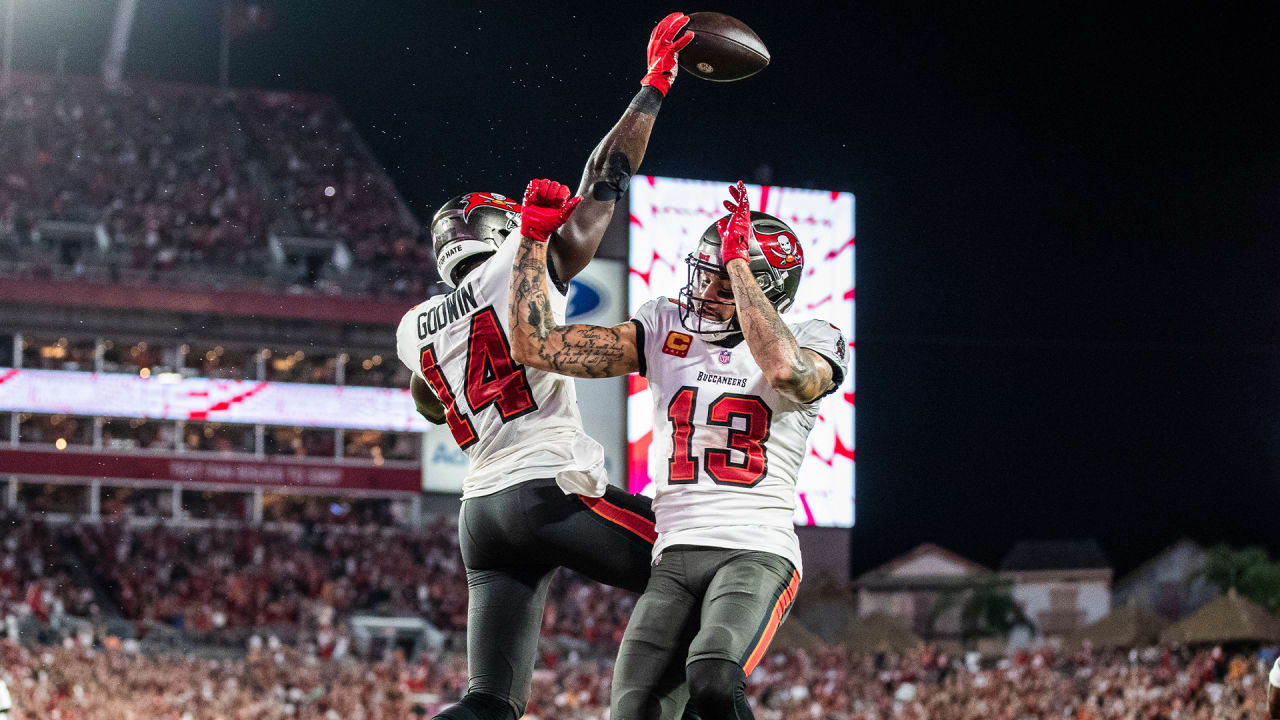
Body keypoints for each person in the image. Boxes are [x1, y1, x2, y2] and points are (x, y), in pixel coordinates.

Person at [393, 14, 696, 720]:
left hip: (480, 514)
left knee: (488, 705)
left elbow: (430, 405)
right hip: (544, 489)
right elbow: (604, 180)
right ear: (501, 229)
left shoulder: (413, 326)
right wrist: (651, 88)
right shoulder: (520, 259)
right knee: (704, 565)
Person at [509, 178, 849, 719]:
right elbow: (538, 346)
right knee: (633, 710)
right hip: (674, 550)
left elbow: (790, 373)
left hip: (755, 548)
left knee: (714, 679)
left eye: (723, 280)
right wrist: (531, 241)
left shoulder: (815, 334)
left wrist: (739, 269)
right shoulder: (666, 321)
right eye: (707, 272)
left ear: (762, 286)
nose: (704, 289)